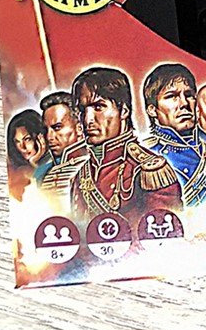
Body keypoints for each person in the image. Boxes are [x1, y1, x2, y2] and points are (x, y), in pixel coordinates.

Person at [68, 67, 180, 221]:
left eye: (98, 107)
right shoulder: (81, 176)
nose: (88, 120)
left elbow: (165, 231)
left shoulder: (150, 170)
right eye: (82, 110)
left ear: (124, 110)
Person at [143, 63, 206, 206]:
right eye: (172, 96)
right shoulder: (147, 156)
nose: (184, 103)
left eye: (189, 95)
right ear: (152, 110)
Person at [39, 90, 90, 195]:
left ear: (79, 128)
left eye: (57, 127)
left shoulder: (92, 167)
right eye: (46, 130)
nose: (49, 137)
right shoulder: (46, 173)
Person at [6, 109, 51, 184]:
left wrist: (34, 164)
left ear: (41, 137)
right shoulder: (16, 170)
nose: (22, 147)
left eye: (27, 139)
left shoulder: (54, 162)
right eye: (17, 141)